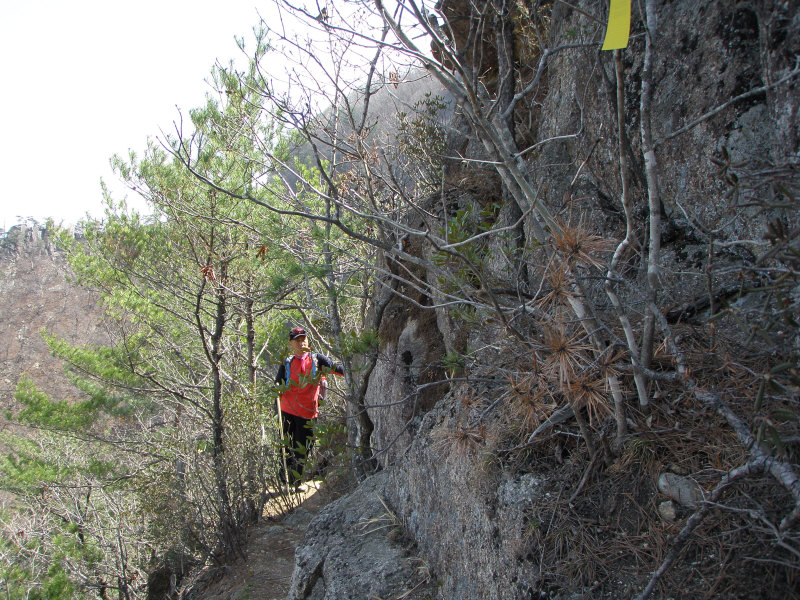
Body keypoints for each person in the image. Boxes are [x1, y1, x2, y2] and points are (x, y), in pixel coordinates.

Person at [274, 326, 343, 491]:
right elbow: (277, 383)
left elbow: (335, 368)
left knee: (304, 449)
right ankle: (286, 484)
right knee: (287, 447)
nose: (301, 342)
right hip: (287, 411)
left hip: (309, 413)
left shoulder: (317, 359)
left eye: (303, 339)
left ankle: (296, 483)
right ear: (291, 344)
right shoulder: (287, 362)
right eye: (297, 340)